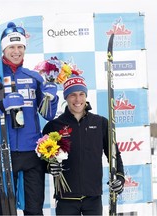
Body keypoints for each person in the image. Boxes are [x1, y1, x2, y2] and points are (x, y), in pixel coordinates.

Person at [0, 22, 59, 215]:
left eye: (20, 47)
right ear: (3, 49)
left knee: (34, 210)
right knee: (4, 211)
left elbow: (48, 115)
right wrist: (1, 105)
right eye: (11, 46)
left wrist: (52, 98)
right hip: (3, 151)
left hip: (32, 154)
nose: (16, 51)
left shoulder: (35, 78)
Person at [42, 74, 125, 215]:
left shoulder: (100, 123)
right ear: (66, 97)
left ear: (86, 96)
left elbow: (114, 154)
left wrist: (120, 177)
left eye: (81, 94)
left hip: (93, 197)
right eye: (73, 95)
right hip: (66, 198)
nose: (78, 99)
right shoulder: (54, 126)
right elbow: (42, 159)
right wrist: (50, 167)